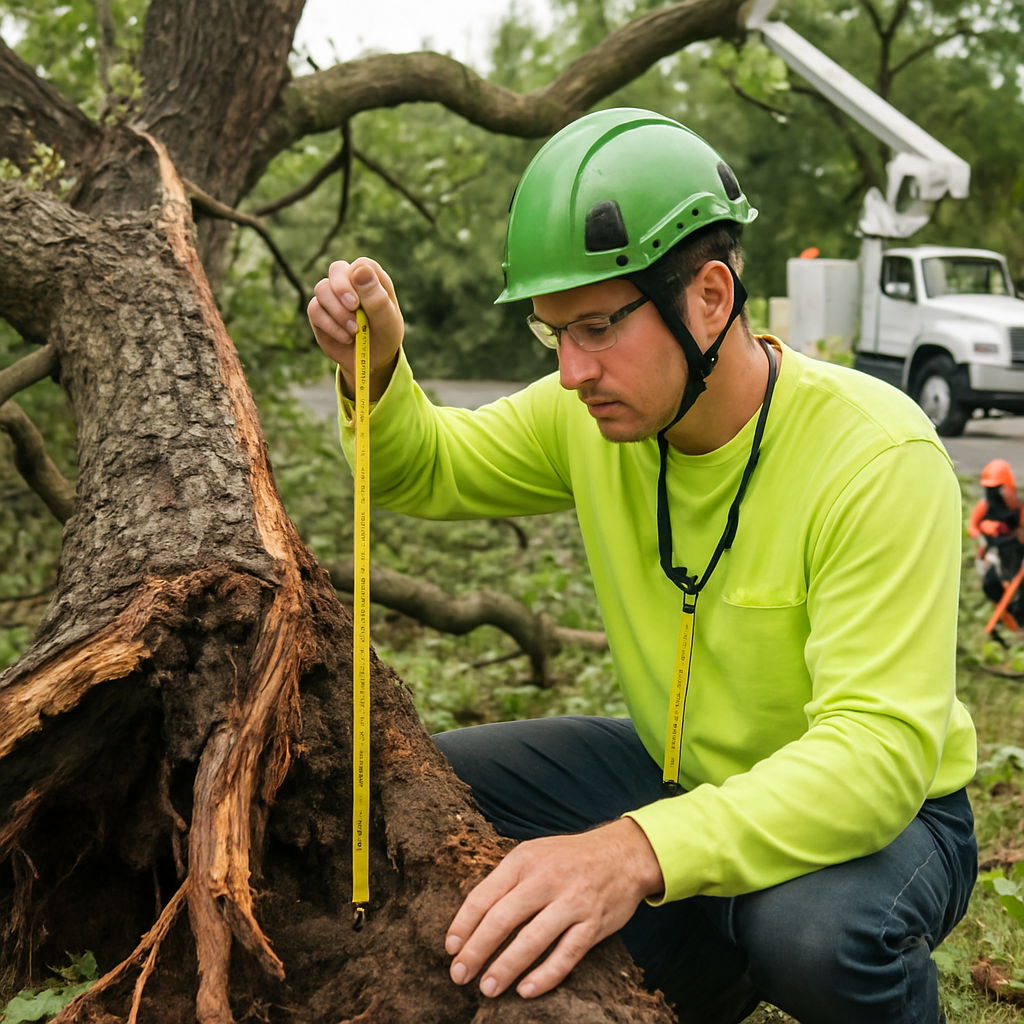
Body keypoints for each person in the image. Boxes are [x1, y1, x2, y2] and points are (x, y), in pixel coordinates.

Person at [307, 108, 978, 1024]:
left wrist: (629, 851)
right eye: (554, 335)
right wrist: (377, 366)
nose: (574, 372)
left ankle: (751, 932)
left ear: (708, 296)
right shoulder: (597, 415)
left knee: (812, 936)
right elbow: (429, 465)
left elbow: (873, 757)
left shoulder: (874, 457)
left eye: (596, 327)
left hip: (887, 814)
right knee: (419, 788)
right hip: (679, 772)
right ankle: (705, 941)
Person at [968, 458, 1024, 634]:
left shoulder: (1016, 506)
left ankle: (1017, 623)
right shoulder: (985, 505)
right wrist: (982, 536)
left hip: (1014, 552)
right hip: (992, 552)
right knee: (993, 585)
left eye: (998, 487)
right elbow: (972, 526)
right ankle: (1003, 622)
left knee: (1018, 590)